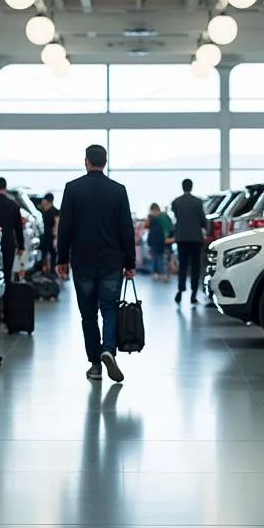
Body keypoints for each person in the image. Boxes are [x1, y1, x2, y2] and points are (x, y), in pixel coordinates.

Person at [56, 145, 136, 384]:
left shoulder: (72, 189)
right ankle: (108, 350)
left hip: (83, 261)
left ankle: (95, 365)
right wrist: (130, 262)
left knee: (88, 315)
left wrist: (62, 258)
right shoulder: (118, 190)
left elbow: (65, 228)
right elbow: (126, 230)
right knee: (109, 309)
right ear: (105, 161)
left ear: (86, 161)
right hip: (112, 261)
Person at [171, 177, 208, 305]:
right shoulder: (198, 202)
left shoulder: (176, 202)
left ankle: (180, 292)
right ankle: (193, 294)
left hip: (181, 238)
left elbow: (176, 217)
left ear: (183, 187)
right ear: (191, 187)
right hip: (195, 238)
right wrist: (205, 228)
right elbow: (203, 219)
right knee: (195, 266)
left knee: (183, 265)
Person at [0, 177, 25, 285]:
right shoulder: (13, 205)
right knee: (7, 275)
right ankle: (7, 301)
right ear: (5, 188)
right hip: (8, 244)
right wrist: (21, 246)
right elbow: (18, 227)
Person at [145, 203, 172, 282]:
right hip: (162, 239)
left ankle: (156, 273)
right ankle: (163, 274)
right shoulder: (163, 216)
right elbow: (169, 227)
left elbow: (146, 225)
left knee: (155, 257)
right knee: (162, 257)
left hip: (154, 238)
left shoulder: (150, 217)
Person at [39, 192, 59, 273]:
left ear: (47, 201)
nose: (42, 201)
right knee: (45, 253)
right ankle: (45, 270)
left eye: (44, 199)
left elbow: (56, 224)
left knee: (52, 253)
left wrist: (55, 236)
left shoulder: (54, 211)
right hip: (46, 235)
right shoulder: (45, 210)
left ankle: (52, 271)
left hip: (51, 236)